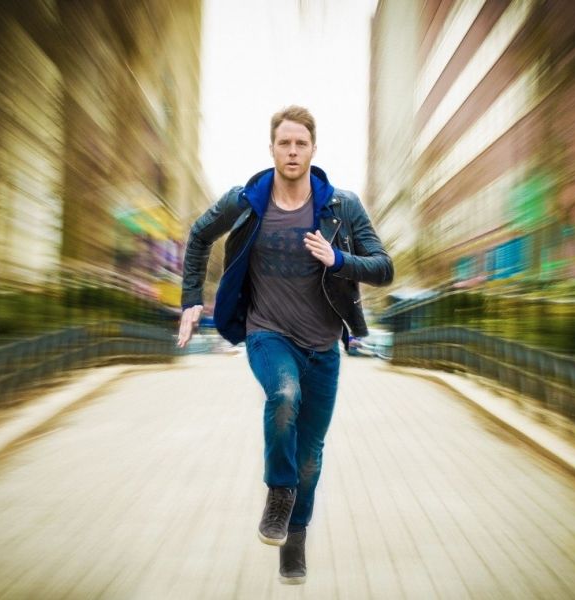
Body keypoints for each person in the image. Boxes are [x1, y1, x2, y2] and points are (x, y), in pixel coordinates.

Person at [177, 105, 393, 584]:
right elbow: (199, 235)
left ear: (313, 149)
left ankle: (294, 537)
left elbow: (384, 267)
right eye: (284, 143)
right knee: (283, 395)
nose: (292, 151)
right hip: (267, 332)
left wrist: (339, 259)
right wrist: (191, 298)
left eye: (301, 143)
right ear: (271, 148)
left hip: (323, 347)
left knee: (310, 456)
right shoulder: (246, 201)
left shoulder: (342, 206)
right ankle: (278, 493)